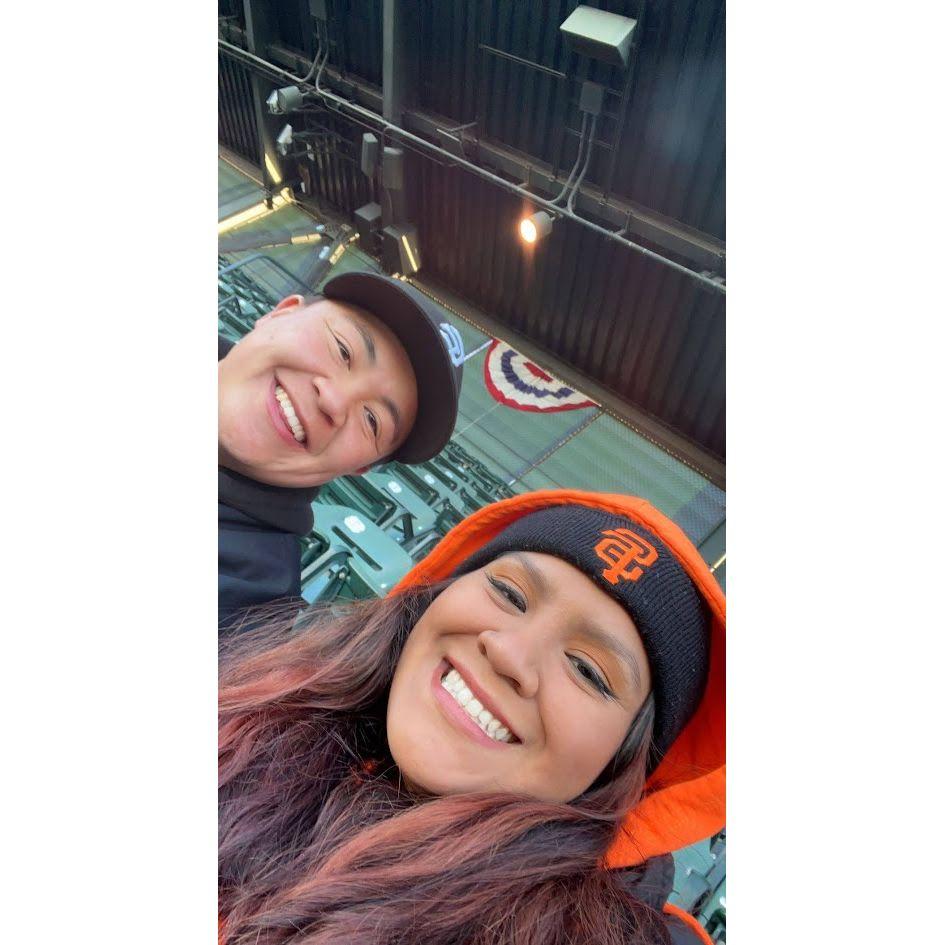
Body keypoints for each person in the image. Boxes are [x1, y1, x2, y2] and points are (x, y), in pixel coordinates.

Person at [219, 490, 725, 945]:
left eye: (588, 671)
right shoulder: (241, 716)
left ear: (624, 765)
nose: (508, 653)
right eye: (509, 593)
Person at [219, 270, 464, 627]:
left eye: (372, 421)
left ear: (360, 468)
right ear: (280, 313)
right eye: (343, 350)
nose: (333, 400)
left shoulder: (247, 602)